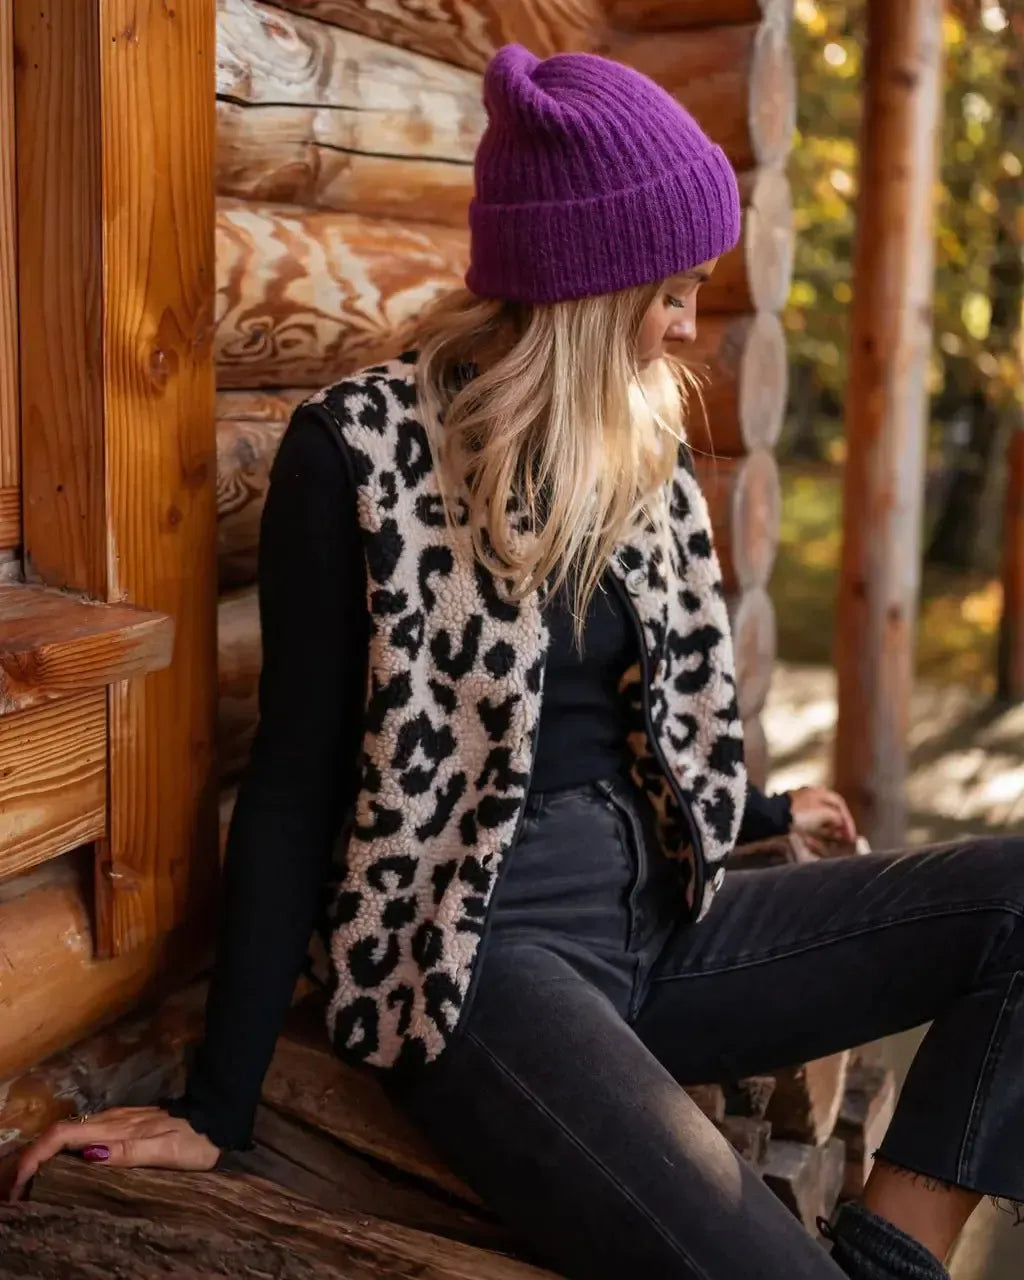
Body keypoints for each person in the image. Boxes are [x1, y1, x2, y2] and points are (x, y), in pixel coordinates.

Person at [12, 44, 1024, 1280]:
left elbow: (616, 717)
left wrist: (756, 812)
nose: (686, 325)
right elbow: (291, 784)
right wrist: (214, 1106)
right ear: (587, 285)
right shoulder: (361, 458)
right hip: (478, 957)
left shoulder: (633, 446)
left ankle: (889, 1257)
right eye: (669, 292)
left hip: (666, 915)